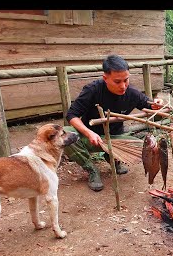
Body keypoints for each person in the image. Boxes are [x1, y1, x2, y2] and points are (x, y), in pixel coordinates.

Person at [64, 54, 164, 191]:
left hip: (116, 139)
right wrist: (89, 133)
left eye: (126, 80)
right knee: (65, 134)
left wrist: (157, 104)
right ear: (105, 78)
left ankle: (113, 159)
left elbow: (150, 106)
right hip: (92, 139)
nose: (123, 86)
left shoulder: (132, 93)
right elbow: (71, 115)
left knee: (144, 145)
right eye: (117, 82)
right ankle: (92, 169)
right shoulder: (92, 90)